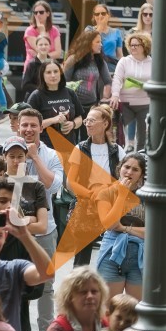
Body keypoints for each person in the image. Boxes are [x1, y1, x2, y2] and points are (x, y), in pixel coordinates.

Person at [16, 108, 64, 331]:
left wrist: (34, 156)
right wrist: (21, 158)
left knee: (46, 286)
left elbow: (53, 187)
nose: (28, 129)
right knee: (16, 284)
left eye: (33, 125)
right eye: (24, 125)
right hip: (15, 232)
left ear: (41, 128)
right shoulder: (9, 151)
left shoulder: (52, 155)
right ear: (18, 126)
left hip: (45, 231)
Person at [66, 104, 124, 266]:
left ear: (105, 123)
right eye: (86, 121)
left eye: (92, 120)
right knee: (81, 262)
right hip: (86, 207)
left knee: (112, 257)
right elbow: (70, 182)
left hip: (111, 207)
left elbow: (125, 180)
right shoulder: (80, 148)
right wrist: (92, 195)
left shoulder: (117, 150)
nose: (88, 124)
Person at [95, 152, 146, 300]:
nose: (129, 172)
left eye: (135, 170)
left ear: (141, 174)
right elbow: (110, 224)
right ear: (120, 168)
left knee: (136, 310)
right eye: (127, 167)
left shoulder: (147, 196)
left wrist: (124, 228)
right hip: (112, 254)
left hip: (139, 256)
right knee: (108, 308)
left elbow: (154, 232)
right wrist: (122, 194)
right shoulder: (106, 193)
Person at [63, 30, 112, 134]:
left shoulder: (100, 61)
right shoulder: (73, 59)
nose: (101, 45)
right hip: (74, 105)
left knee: (88, 136)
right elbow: (63, 82)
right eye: (97, 42)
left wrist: (104, 98)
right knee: (73, 136)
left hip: (91, 106)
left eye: (101, 42)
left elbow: (108, 81)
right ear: (88, 43)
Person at [26, 61, 84, 146]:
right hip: (45, 148)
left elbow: (79, 117)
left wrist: (73, 124)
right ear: (42, 75)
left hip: (69, 146)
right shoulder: (36, 96)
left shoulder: (70, 93)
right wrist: (53, 120)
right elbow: (28, 123)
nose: (53, 75)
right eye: (48, 72)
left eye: (56, 71)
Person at [111, 33, 152, 151]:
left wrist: (145, 85)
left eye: (136, 45)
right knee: (124, 136)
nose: (133, 47)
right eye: (131, 45)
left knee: (142, 137)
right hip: (126, 103)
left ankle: (140, 160)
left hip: (145, 103)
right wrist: (115, 95)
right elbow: (117, 79)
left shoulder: (152, 62)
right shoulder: (124, 61)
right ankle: (124, 157)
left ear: (144, 46)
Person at [23, 0, 62, 69]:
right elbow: (42, 51)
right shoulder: (29, 31)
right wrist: (42, 32)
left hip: (49, 68)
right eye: (35, 13)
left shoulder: (54, 30)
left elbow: (58, 53)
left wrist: (38, 55)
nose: (38, 14)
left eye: (41, 12)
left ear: (48, 13)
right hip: (33, 69)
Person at [86, 3, 124, 73]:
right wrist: (100, 26)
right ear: (94, 17)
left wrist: (123, 69)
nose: (100, 16)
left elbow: (119, 55)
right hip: (94, 66)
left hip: (111, 67)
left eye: (103, 13)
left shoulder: (116, 32)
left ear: (108, 15)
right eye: (97, 14)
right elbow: (87, 46)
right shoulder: (89, 29)